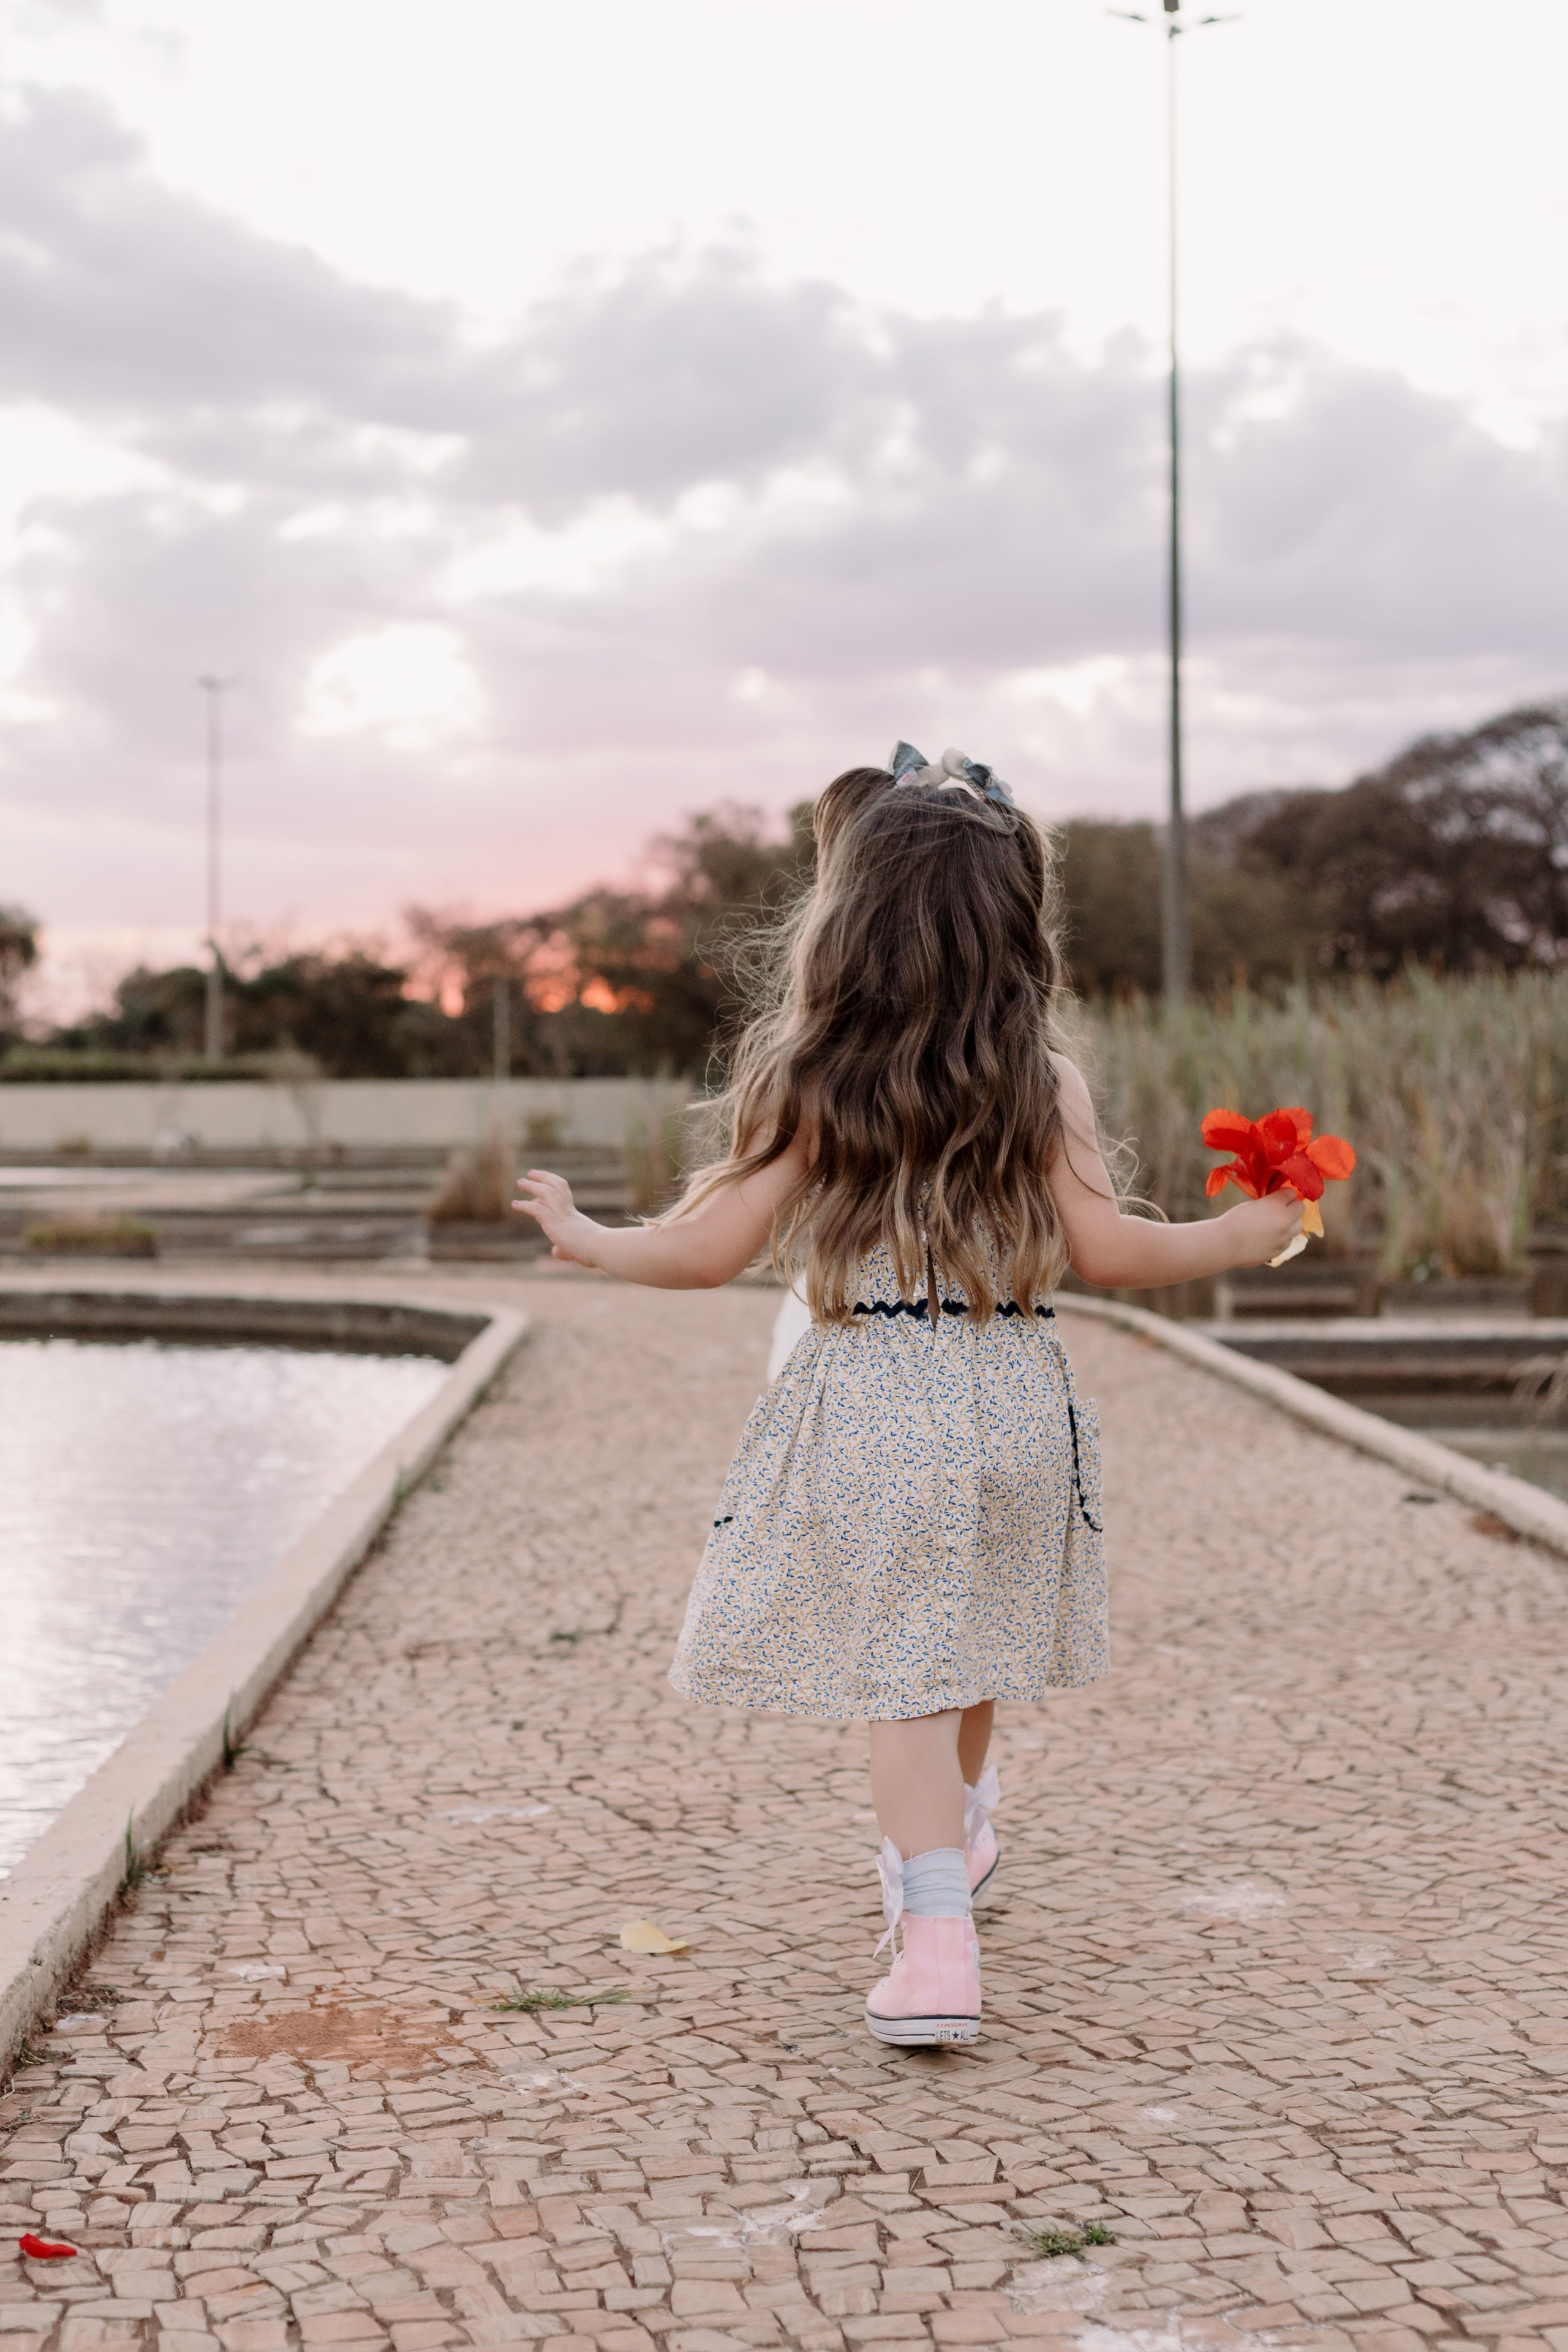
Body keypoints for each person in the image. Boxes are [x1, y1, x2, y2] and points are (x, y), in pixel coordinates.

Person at [515, 745, 1303, 2049]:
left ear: (850, 923)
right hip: (1013, 1397)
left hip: (876, 1395)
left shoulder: (819, 1077)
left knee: (900, 1679)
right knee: (968, 1641)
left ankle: (932, 1940)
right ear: (1014, 923)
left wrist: (589, 1236)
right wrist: (1249, 1232)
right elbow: (1112, 1256)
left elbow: (706, 1252)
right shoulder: (1041, 1080)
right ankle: (960, 1832)